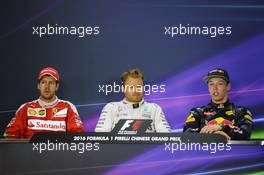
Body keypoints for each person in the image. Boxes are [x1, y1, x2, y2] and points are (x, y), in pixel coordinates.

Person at [4, 67, 85, 138]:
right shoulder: (25, 108)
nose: (47, 86)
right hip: (30, 154)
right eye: (43, 82)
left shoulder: (68, 107)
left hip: (59, 153)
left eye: (51, 83)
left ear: (57, 87)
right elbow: (10, 135)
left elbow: (77, 136)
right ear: (38, 86)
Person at [183, 68, 253, 140]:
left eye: (220, 84)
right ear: (208, 88)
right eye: (211, 84)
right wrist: (216, 135)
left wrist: (222, 127)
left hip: (233, 151)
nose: (215, 88)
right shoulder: (197, 113)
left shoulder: (242, 112)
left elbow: (245, 133)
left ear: (228, 86)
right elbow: (187, 135)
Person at [95, 68, 171, 133]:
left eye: (139, 87)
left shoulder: (154, 109)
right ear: (123, 88)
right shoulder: (111, 108)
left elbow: (166, 137)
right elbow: (100, 138)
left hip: (149, 150)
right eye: (131, 87)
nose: (136, 91)